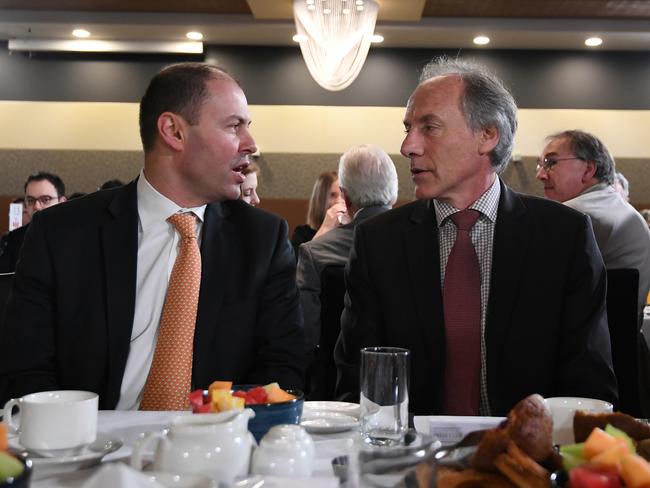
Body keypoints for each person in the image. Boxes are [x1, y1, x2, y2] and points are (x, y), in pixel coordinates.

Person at [0, 62, 304, 409]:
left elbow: (282, 371)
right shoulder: (62, 234)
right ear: (173, 132)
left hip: (216, 447)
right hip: (88, 446)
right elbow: (24, 370)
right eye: (234, 126)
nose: (250, 144)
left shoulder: (262, 240)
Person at [334, 57, 617, 417]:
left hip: (528, 461)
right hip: (409, 457)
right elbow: (356, 381)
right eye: (408, 129)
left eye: (429, 128)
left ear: (487, 135)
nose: (408, 147)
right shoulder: (379, 242)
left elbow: (588, 386)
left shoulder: (563, 238)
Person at [536, 130, 650, 319]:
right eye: (540, 165)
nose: (540, 174)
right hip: (622, 343)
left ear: (588, 169)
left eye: (551, 163)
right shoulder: (623, 210)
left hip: (581, 344)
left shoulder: (573, 215)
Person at [297, 144, 397, 354]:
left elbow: (306, 336)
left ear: (346, 197)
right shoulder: (418, 246)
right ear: (394, 195)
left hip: (332, 379)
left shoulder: (314, 254)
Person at [0, 172, 67, 272]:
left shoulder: (76, 236)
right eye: (30, 200)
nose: (36, 206)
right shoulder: (15, 237)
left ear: (62, 202)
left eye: (45, 199)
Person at [291, 171, 348, 258]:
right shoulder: (303, 233)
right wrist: (326, 227)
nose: (339, 201)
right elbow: (300, 264)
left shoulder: (353, 232)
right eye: (332, 195)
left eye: (343, 195)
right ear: (320, 200)